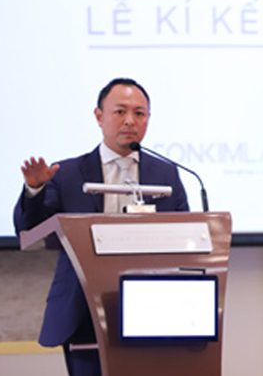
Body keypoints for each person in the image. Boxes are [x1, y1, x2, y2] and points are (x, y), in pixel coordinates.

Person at [13, 78, 189, 376]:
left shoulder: (166, 173)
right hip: (84, 312)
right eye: (120, 111)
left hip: (153, 309)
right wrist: (35, 190)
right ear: (99, 116)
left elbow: (185, 232)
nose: (130, 120)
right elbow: (28, 228)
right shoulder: (67, 173)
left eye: (139, 113)